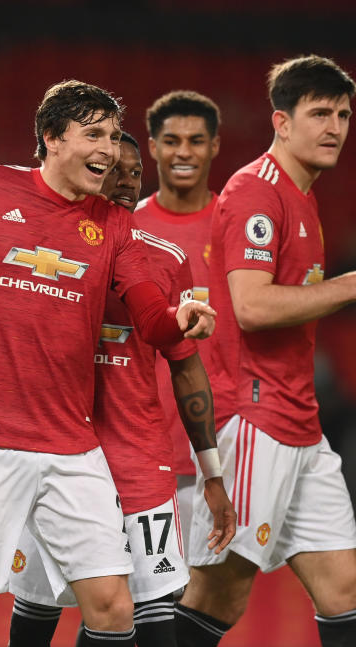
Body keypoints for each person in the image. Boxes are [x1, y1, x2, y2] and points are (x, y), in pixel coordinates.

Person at [0, 81, 217, 647]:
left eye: (114, 138)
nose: (110, 151)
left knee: (114, 607)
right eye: (94, 135)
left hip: (71, 445)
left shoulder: (113, 224)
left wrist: (181, 319)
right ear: (51, 138)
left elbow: (151, 319)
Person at [177, 55, 356, 647]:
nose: (335, 126)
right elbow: (253, 306)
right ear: (281, 122)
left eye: (342, 114)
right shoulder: (257, 193)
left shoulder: (302, 197)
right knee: (219, 596)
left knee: (349, 588)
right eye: (319, 113)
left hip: (300, 424)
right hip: (255, 418)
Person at [5, 132, 236, 647]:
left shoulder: (166, 260)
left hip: (138, 463)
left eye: (137, 173)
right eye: (117, 171)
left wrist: (212, 471)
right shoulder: (48, 251)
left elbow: (187, 371)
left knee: (155, 623)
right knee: (34, 618)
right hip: (56, 455)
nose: (130, 182)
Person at [136, 90, 221, 551]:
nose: (183, 152)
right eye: (171, 140)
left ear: (215, 146)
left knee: (205, 601)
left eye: (196, 140)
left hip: (220, 447)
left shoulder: (237, 227)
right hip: (144, 447)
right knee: (130, 603)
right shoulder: (126, 228)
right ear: (151, 146)